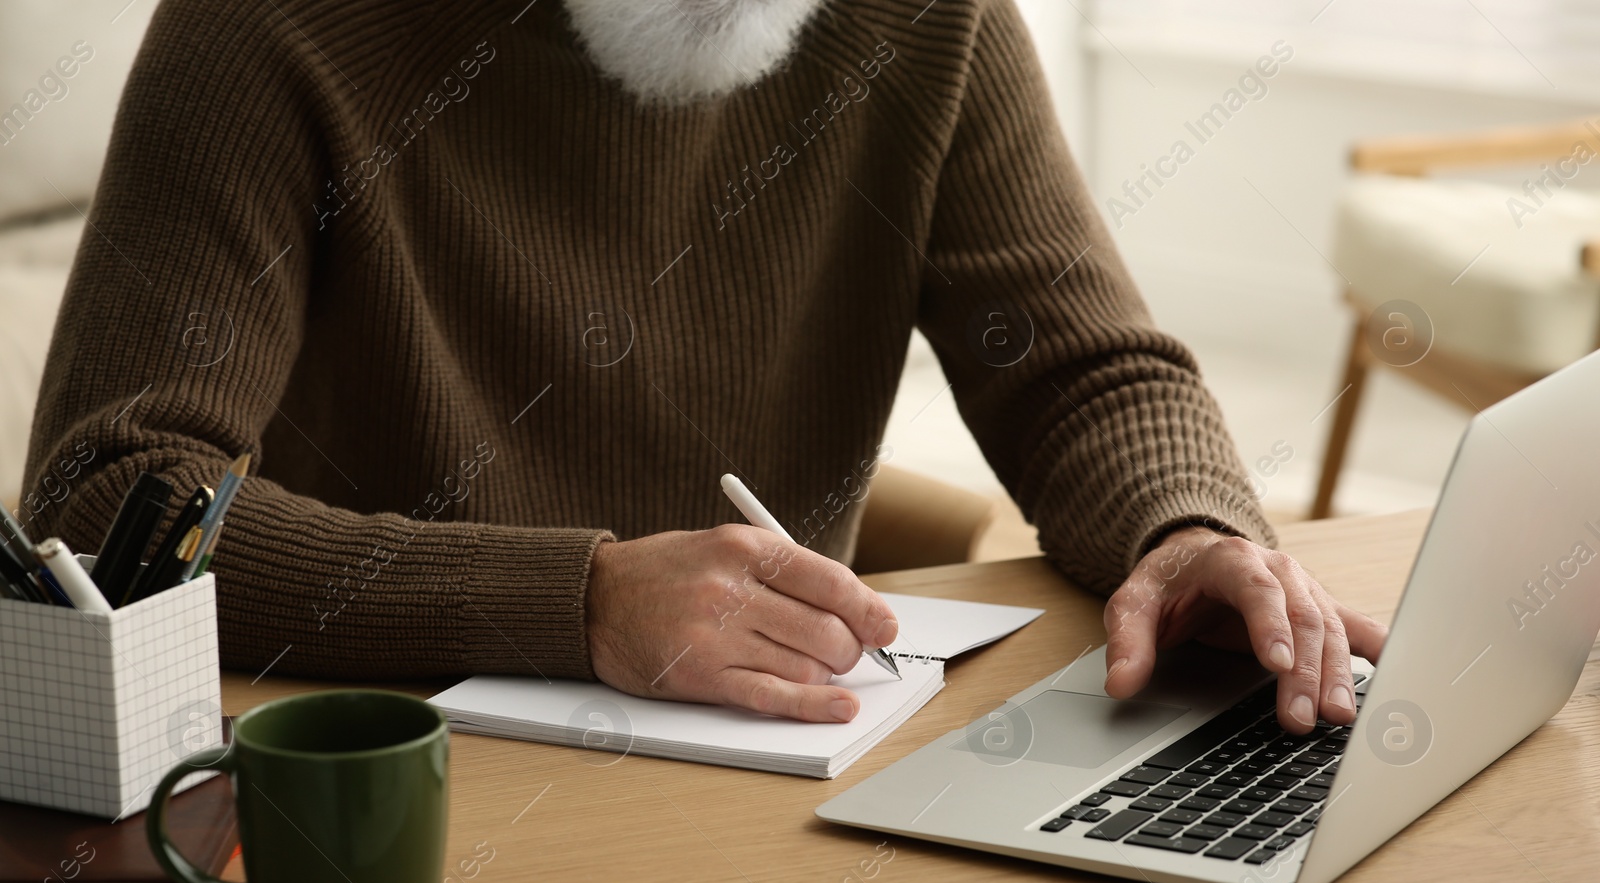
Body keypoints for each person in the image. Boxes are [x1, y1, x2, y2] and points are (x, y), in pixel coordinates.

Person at [23, 0, 1384, 734]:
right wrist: (577, 601)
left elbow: (1079, 370)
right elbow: (106, 503)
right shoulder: (266, 31)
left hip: (786, 773)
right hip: (391, 779)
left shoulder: (925, 24)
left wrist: (1191, 525)